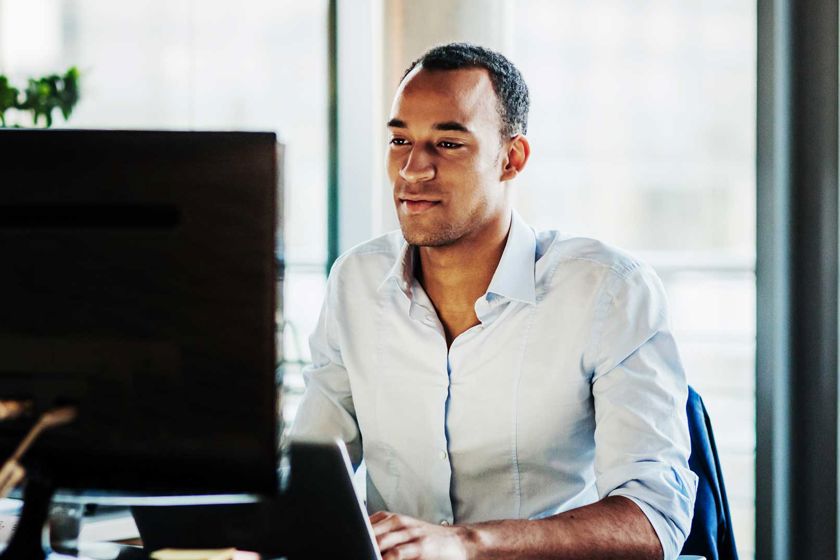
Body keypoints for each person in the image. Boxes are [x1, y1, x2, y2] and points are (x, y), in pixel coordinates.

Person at [290, 43, 697, 560]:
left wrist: (466, 544)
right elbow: (307, 475)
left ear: (511, 158)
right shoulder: (357, 280)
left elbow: (654, 520)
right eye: (400, 140)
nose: (412, 169)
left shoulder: (609, 290)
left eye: (448, 143)